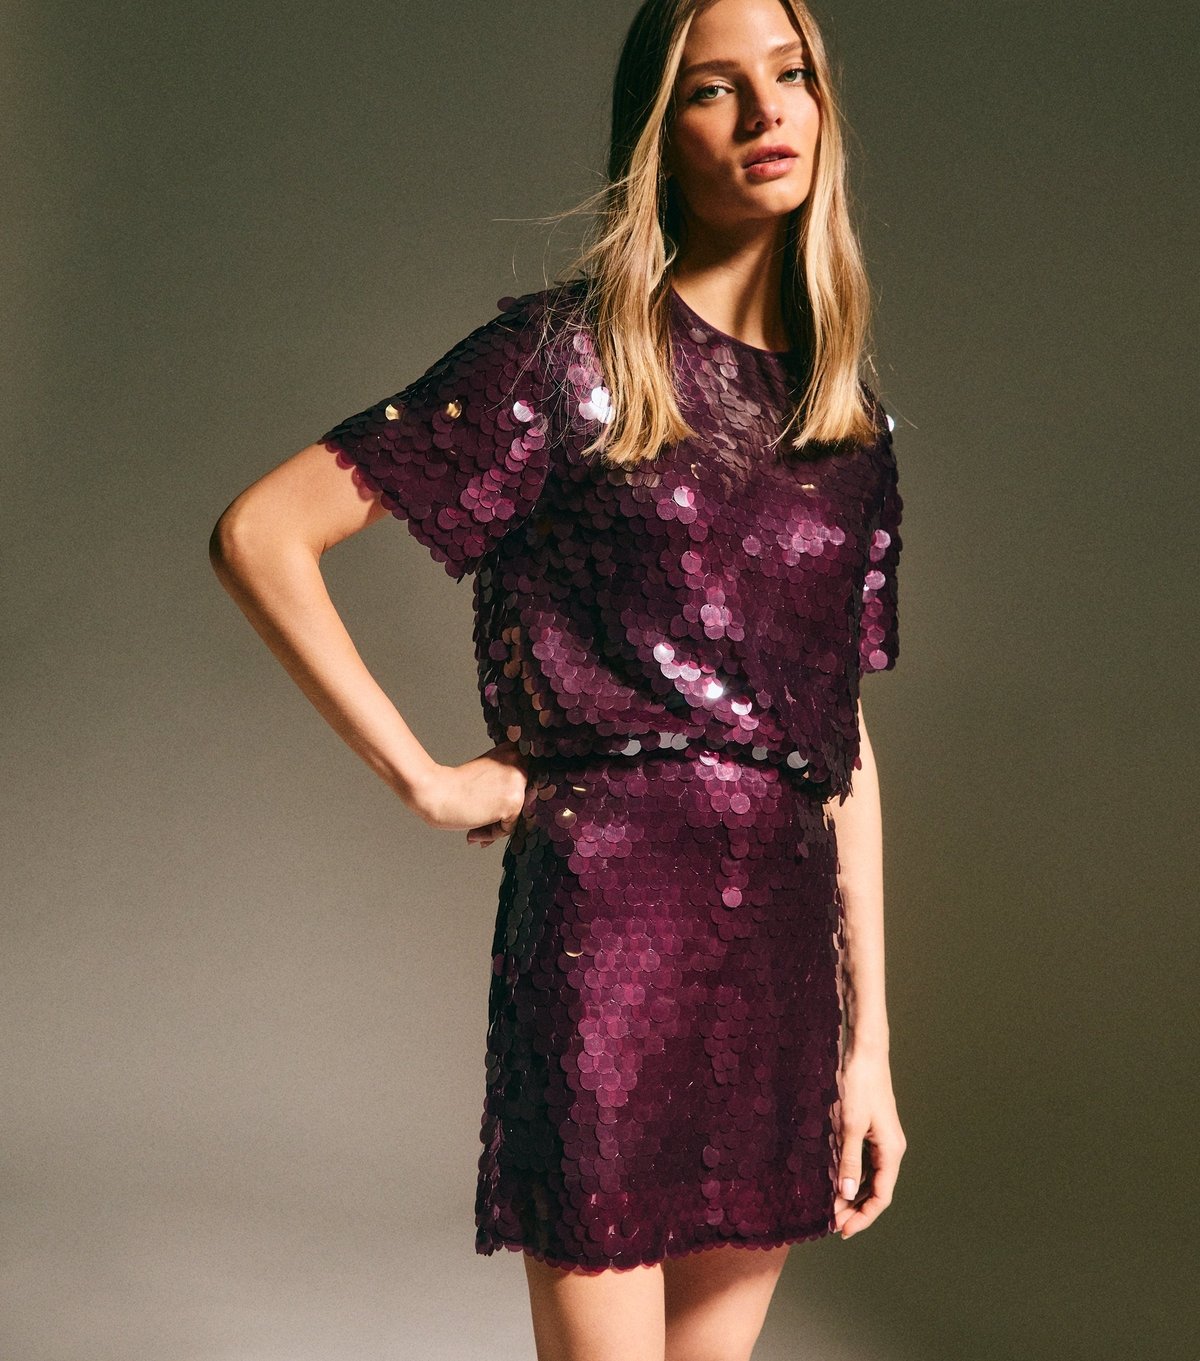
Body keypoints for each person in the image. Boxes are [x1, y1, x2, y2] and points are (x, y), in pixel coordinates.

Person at [209, 0, 907, 1355]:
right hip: (609, 939)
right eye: (714, 88)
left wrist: (869, 1045)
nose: (767, 112)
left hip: (781, 964)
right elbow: (264, 533)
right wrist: (426, 779)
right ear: (660, 133)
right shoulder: (567, 359)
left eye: (790, 74)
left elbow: (840, 740)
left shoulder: (847, 425)